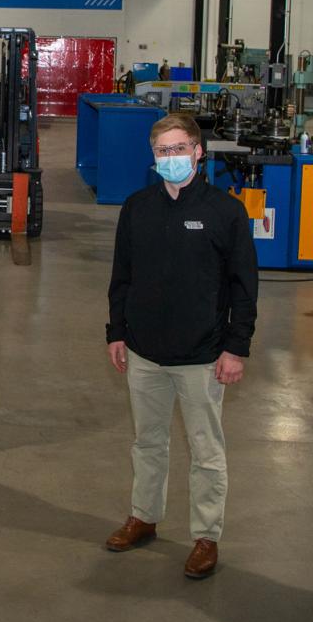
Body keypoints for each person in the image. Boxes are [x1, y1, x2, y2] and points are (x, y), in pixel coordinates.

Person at [103, 113, 257, 579]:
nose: (170, 158)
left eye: (178, 149)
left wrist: (236, 347)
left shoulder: (225, 212)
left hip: (202, 356)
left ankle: (206, 536)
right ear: (153, 157)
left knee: (206, 451)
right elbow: (122, 276)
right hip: (144, 352)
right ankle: (144, 516)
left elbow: (244, 286)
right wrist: (116, 331)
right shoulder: (137, 208)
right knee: (147, 442)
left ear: (198, 152)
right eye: (162, 151)